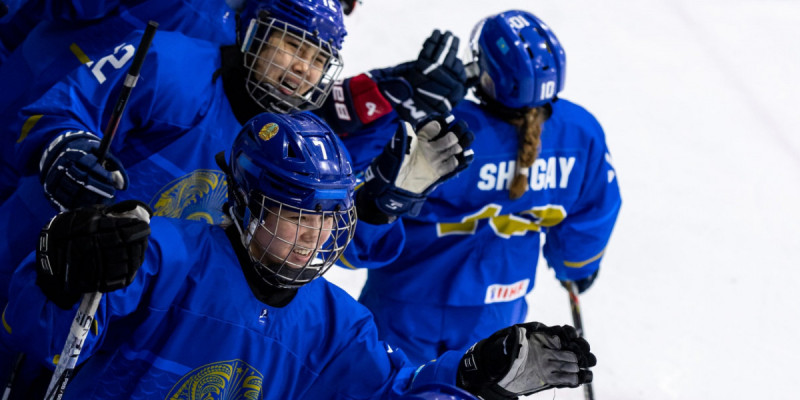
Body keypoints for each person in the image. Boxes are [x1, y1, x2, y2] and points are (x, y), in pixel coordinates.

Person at [2, 112, 596, 399]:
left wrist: (469, 379)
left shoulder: (339, 324)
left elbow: (388, 397)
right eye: (295, 214)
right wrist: (61, 268)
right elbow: (41, 335)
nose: (314, 235)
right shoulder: (163, 252)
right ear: (244, 203)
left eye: (327, 216)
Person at [0, 0, 346, 392]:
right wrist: (67, 147)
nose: (304, 68)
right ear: (254, 31)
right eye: (294, 46)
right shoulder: (170, 63)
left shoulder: (294, 146)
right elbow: (63, 107)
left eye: (319, 59)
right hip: (37, 258)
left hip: (124, 315)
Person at [336, 9, 622, 366]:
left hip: (406, 301)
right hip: (499, 311)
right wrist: (576, 266)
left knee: (384, 384)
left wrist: (406, 106)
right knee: (482, 386)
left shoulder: (443, 125)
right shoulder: (580, 132)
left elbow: (356, 187)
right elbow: (595, 210)